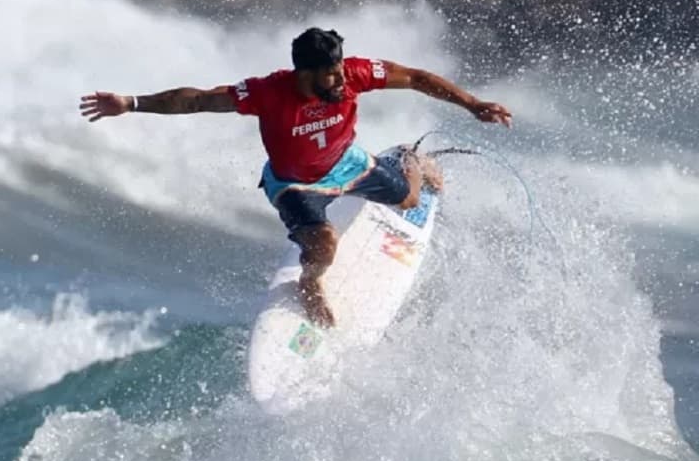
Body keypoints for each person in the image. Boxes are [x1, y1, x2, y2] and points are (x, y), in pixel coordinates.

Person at [79, 27, 512, 328]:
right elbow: (197, 100)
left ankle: (408, 158)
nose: (340, 79)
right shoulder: (268, 93)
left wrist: (473, 104)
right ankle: (309, 283)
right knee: (324, 244)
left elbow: (416, 78)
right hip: (294, 184)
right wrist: (132, 102)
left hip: (349, 163)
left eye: (340, 68)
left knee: (410, 200)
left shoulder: (353, 75)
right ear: (303, 74)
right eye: (330, 73)